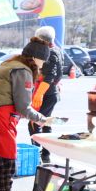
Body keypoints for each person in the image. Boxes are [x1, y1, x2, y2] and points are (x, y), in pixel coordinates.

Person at [0, 37, 54, 191]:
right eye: (43, 60)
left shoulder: (9, 64)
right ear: (37, 57)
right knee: (6, 166)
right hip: (1, 121)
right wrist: (42, 119)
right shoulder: (22, 71)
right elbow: (24, 106)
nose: (44, 63)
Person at [28, 26, 63, 163]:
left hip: (45, 93)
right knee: (46, 122)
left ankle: (37, 154)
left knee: (34, 122)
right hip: (50, 92)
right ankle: (45, 154)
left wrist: (39, 95)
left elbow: (50, 76)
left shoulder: (50, 52)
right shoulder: (56, 50)